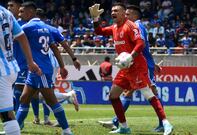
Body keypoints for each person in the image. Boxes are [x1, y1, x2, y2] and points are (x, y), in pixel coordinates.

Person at [89, 3, 172, 134]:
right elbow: (99, 31)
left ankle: (166, 123)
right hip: (125, 68)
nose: (113, 13)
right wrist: (95, 19)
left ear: (123, 13)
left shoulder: (131, 26)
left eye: (116, 10)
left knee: (149, 94)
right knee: (113, 96)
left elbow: (140, 43)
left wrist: (131, 56)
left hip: (137, 66)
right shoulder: (115, 27)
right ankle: (124, 127)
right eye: (112, 10)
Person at [15, 2, 73, 135]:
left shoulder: (27, 27)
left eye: (22, 11)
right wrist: (63, 65)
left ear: (30, 12)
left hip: (40, 70)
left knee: (51, 101)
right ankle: (15, 131)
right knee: (23, 99)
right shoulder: (46, 28)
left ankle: (67, 131)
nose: (20, 14)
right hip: (37, 69)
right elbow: (54, 47)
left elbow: (15, 39)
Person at [30, 8, 81, 126]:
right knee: (38, 93)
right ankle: (46, 118)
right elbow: (65, 44)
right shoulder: (52, 29)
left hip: (45, 64)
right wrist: (73, 58)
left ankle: (68, 96)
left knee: (43, 93)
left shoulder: (30, 27)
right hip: (49, 64)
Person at [0, 5, 41, 135]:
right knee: (6, 113)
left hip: (1, 69)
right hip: (9, 68)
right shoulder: (6, 13)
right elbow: (21, 36)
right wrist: (30, 61)